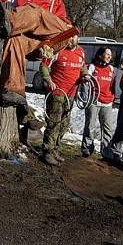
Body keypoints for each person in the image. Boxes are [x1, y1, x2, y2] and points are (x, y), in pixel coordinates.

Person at [39, 35, 86, 166]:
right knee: (54, 123)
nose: (71, 40)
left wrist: (85, 76)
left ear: (78, 39)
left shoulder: (81, 52)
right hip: (57, 93)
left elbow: (83, 68)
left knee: (64, 124)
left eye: (73, 38)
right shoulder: (57, 50)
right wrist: (49, 80)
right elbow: (43, 65)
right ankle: (47, 151)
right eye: (69, 37)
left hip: (71, 94)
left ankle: (55, 149)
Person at [80, 47, 118, 158]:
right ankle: (87, 148)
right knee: (90, 126)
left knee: (107, 128)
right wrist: (86, 97)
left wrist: (113, 98)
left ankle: (106, 151)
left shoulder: (111, 69)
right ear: (100, 55)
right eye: (107, 54)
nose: (109, 57)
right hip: (94, 101)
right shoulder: (92, 67)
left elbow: (113, 85)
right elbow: (85, 82)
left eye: (110, 55)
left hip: (107, 103)